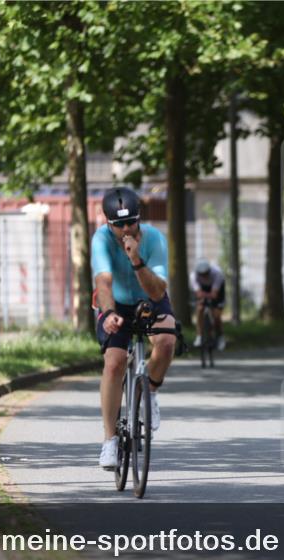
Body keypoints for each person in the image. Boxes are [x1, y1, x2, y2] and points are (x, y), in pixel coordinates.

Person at [92, 187, 176, 469]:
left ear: (139, 219)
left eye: (131, 222)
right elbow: (103, 281)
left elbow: (157, 291)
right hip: (114, 302)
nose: (126, 229)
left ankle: (150, 390)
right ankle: (110, 440)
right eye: (119, 225)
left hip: (149, 298)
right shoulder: (101, 240)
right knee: (114, 363)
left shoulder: (154, 239)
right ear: (108, 223)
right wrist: (109, 313)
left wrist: (136, 260)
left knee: (166, 341)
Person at [190, 258, 226, 351]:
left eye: (206, 274)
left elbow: (214, 294)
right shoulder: (193, 276)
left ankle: (220, 337)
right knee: (200, 309)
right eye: (202, 275)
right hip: (203, 288)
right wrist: (202, 297)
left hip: (217, 289)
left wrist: (205, 295)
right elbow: (198, 293)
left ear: (209, 271)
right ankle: (199, 336)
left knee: (217, 315)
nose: (204, 276)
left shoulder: (218, 274)